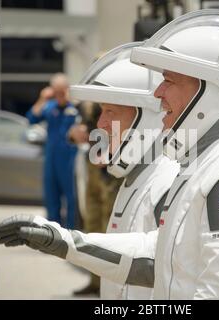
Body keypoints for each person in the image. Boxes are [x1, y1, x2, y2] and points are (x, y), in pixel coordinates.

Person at [0, 9, 219, 299]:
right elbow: (165, 256)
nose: (157, 93)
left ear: (211, 88)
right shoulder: (213, 163)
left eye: (169, 80)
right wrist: (61, 240)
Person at [0, 43, 179, 300]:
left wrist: (65, 242)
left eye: (110, 111)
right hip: (87, 168)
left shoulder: (166, 182)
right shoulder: (137, 179)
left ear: (144, 118)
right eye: (101, 111)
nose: (101, 123)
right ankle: (93, 281)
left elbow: (154, 258)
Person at [69, 102, 123, 295]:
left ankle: (108, 284)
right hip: (92, 166)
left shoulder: (113, 97)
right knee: (92, 224)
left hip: (111, 170)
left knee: (109, 226)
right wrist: (75, 133)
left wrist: (114, 154)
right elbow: (79, 130)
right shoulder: (85, 104)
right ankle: (95, 281)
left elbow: (130, 128)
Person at [26, 73, 78, 229]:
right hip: (51, 158)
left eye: (62, 91)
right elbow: (31, 118)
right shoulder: (49, 107)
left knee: (71, 198)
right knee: (51, 196)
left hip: (69, 159)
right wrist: (43, 98)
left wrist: (71, 99)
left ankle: (71, 230)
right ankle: (52, 231)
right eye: (56, 92)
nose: (59, 95)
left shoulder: (74, 108)